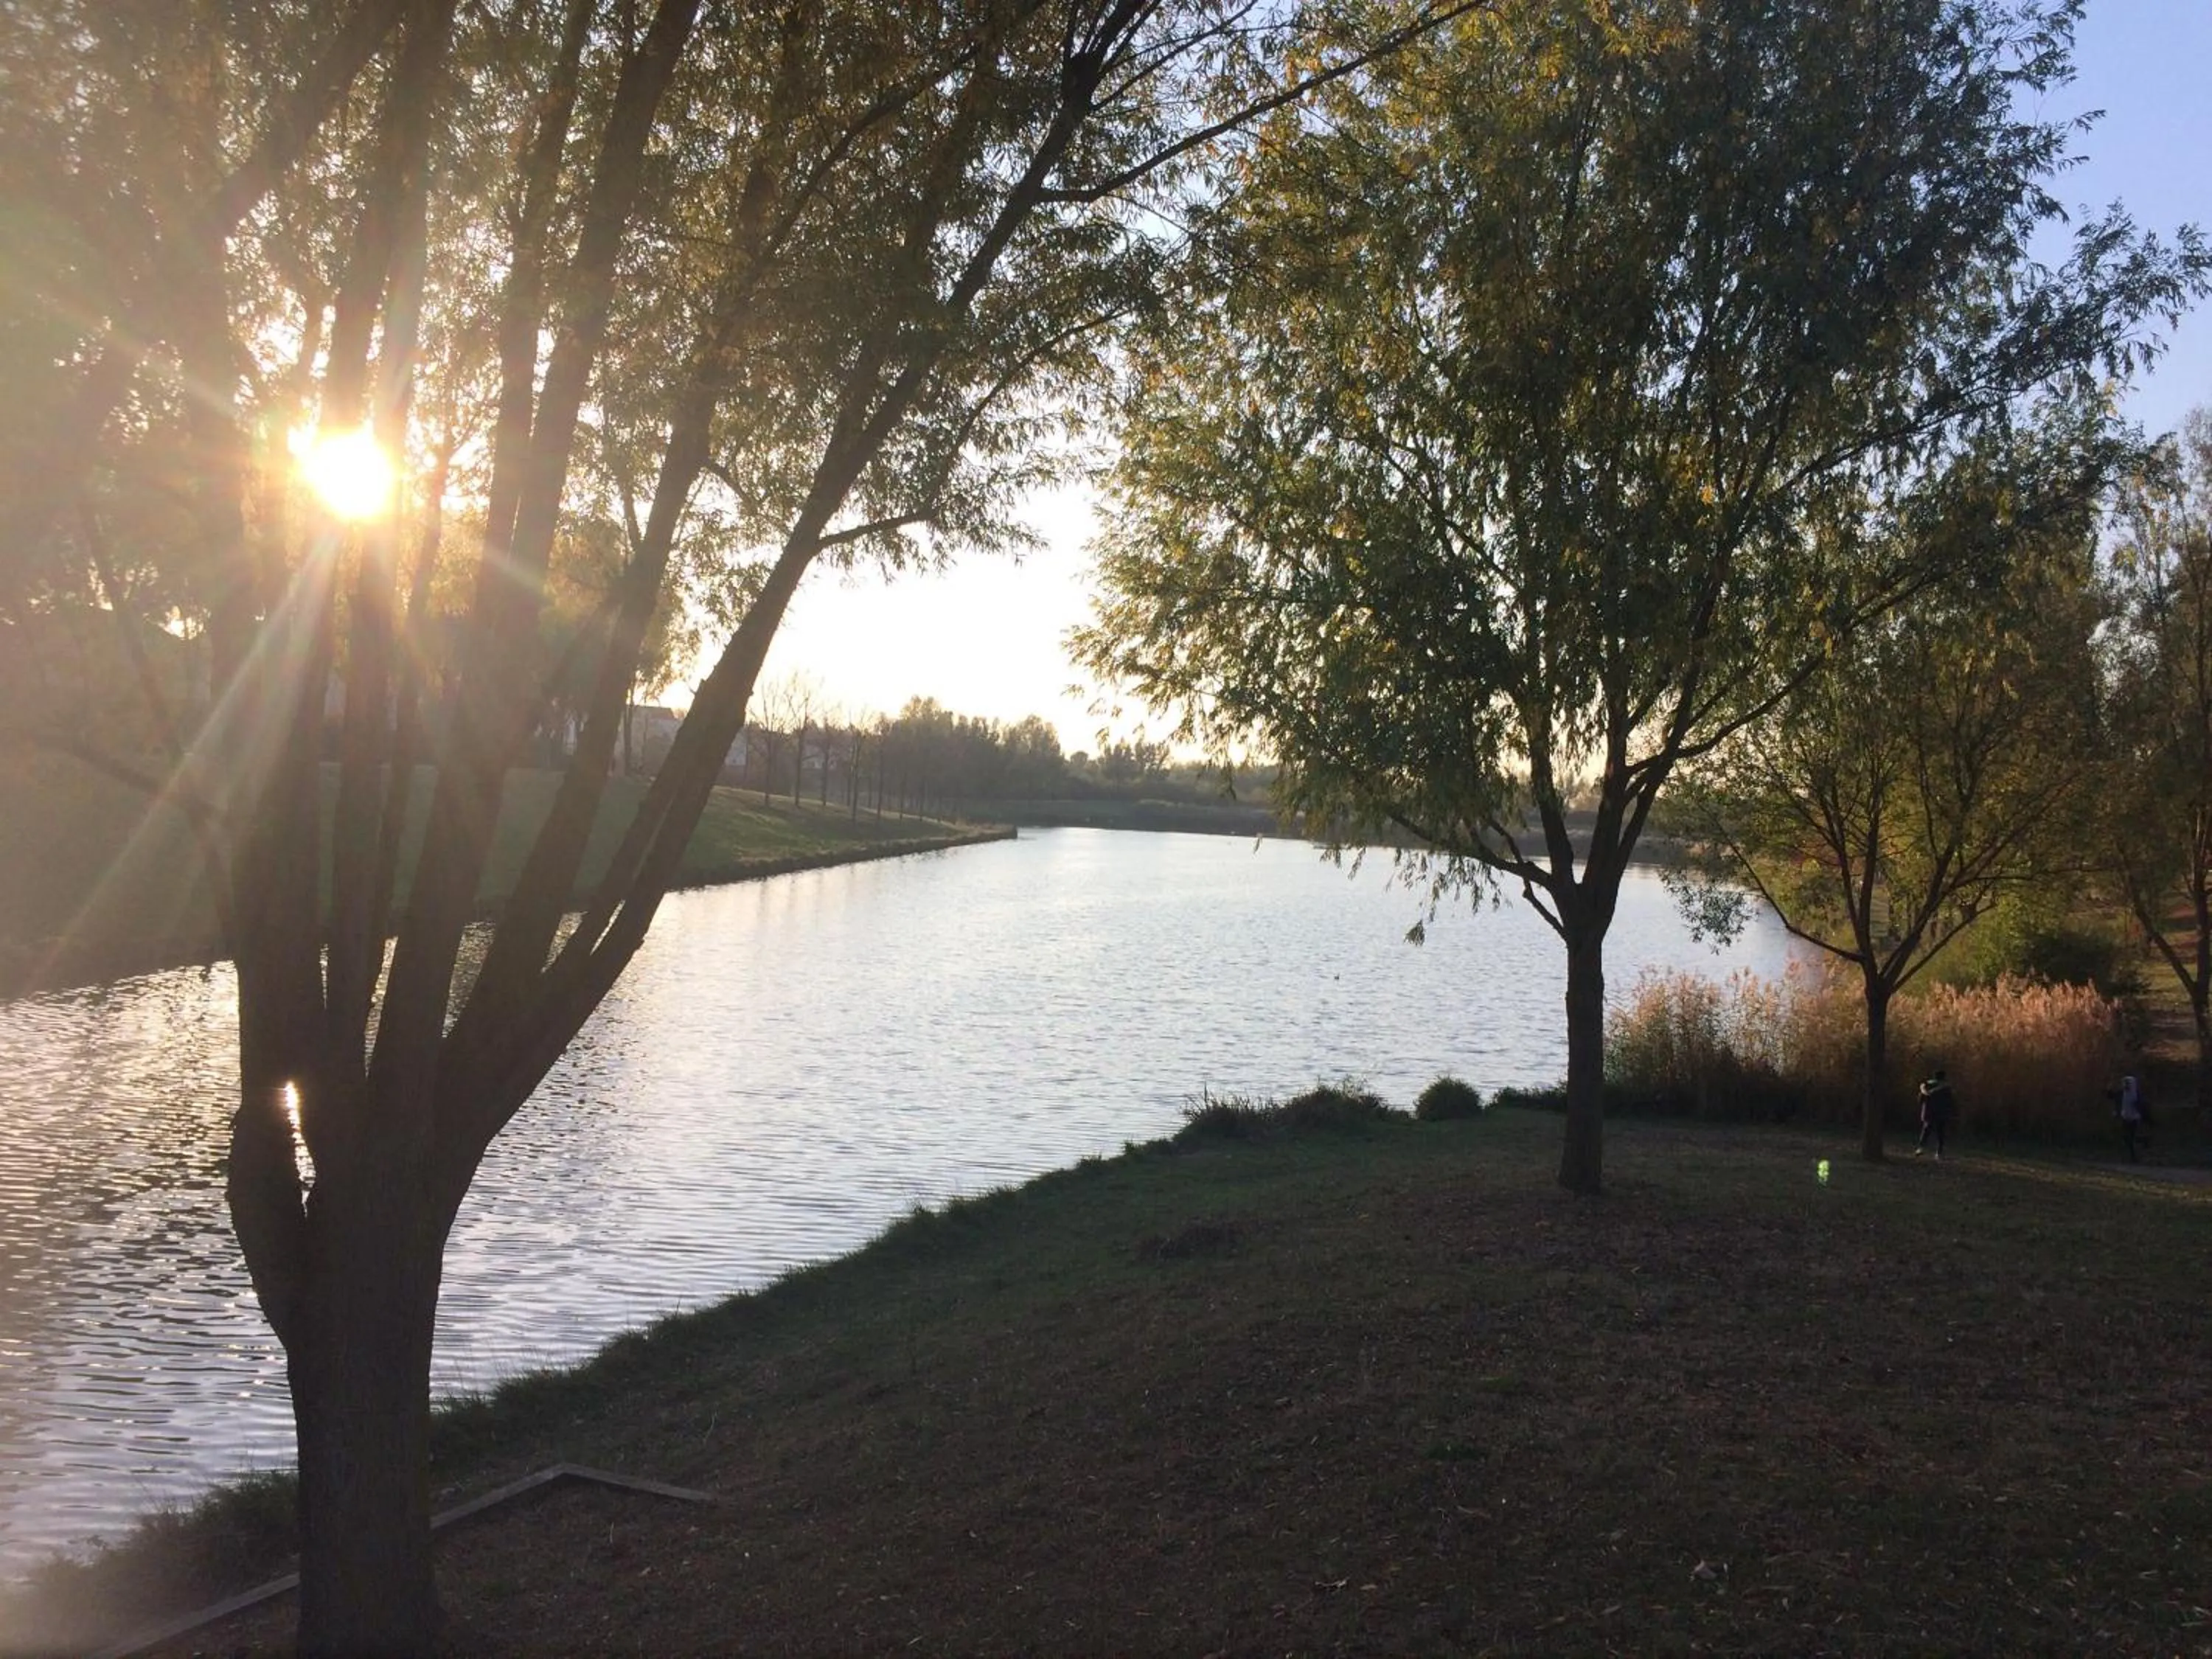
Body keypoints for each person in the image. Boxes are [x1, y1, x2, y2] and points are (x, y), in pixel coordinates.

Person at [1914, 1066, 1956, 1160]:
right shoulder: (1946, 1088)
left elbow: (1921, 1099)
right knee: (1940, 1133)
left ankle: (1921, 1148)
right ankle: (1939, 1152)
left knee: (1926, 1131)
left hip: (1928, 1112)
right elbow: (1951, 1101)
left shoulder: (1926, 1086)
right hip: (1942, 1113)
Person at [2117, 1072, 2147, 1164]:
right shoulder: (2122, 1094)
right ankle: (2130, 1156)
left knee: (2131, 1137)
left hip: (2134, 1119)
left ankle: (2134, 1157)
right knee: (2126, 1137)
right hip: (2125, 1118)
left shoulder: (2136, 1095)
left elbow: (2141, 1107)